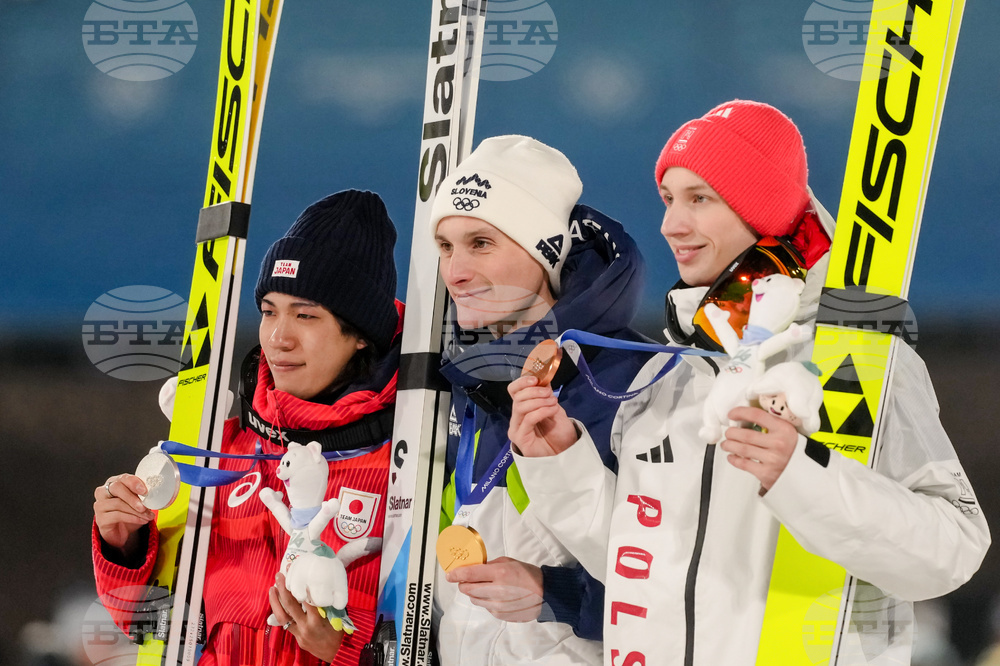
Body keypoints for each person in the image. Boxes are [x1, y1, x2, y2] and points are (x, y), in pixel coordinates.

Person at [507, 101, 991, 665]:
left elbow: (951, 552)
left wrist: (801, 473)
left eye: (699, 199)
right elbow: (644, 569)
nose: (671, 224)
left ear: (760, 210)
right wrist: (561, 463)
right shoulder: (668, 382)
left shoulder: (853, 362)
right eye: (668, 200)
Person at [92, 190, 403, 665]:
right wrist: (122, 545)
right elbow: (148, 625)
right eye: (269, 311)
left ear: (362, 335)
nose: (279, 337)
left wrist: (344, 651)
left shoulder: (406, 461)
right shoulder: (221, 454)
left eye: (305, 315)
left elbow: (447, 636)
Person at [429, 135, 652, 665]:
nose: (455, 272)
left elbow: (683, 587)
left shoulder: (631, 381)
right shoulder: (464, 388)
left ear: (543, 253)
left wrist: (557, 595)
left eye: (481, 243)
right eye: (445, 247)